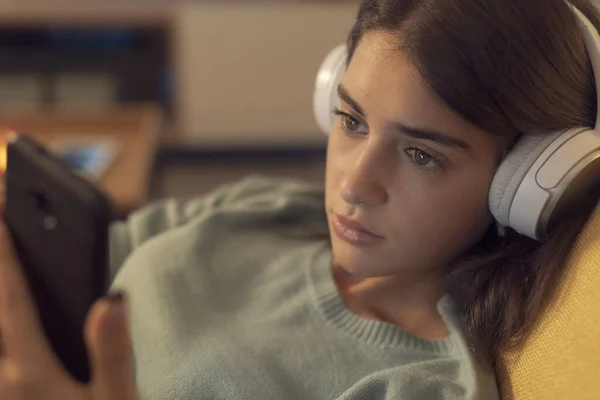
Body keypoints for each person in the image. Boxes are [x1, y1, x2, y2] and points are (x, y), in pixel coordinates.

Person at [1, 0, 600, 399]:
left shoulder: (418, 386)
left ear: (521, 183)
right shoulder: (268, 209)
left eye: (423, 155)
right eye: (352, 120)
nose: (353, 184)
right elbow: (79, 259)